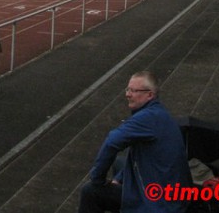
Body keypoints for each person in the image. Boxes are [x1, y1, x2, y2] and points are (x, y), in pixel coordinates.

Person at [78, 71, 191, 213]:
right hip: (172, 194)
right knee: (120, 162)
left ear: (149, 95)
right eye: (128, 89)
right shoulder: (159, 114)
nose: (127, 94)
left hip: (157, 203)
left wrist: (97, 179)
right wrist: (118, 179)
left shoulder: (147, 118)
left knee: (90, 192)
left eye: (133, 91)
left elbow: (111, 142)